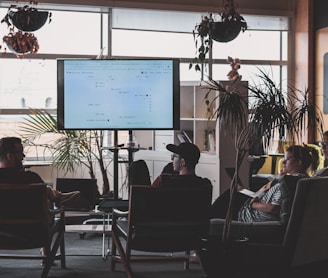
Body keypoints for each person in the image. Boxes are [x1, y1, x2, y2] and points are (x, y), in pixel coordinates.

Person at [211, 145, 319, 223]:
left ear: (299, 162)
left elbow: (274, 208)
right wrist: (279, 178)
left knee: (227, 198)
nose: (284, 162)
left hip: (250, 214)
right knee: (235, 192)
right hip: (254, 205)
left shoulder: (289, 182)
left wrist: (253, 204)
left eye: (287, 159)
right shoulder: (299, 180)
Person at [0, 136, 80, 208]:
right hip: (32, 223)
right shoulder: (30, 178)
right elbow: (48, 198)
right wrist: (52, 194)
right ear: (10, 156)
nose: (23, 156)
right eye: (20, 152)